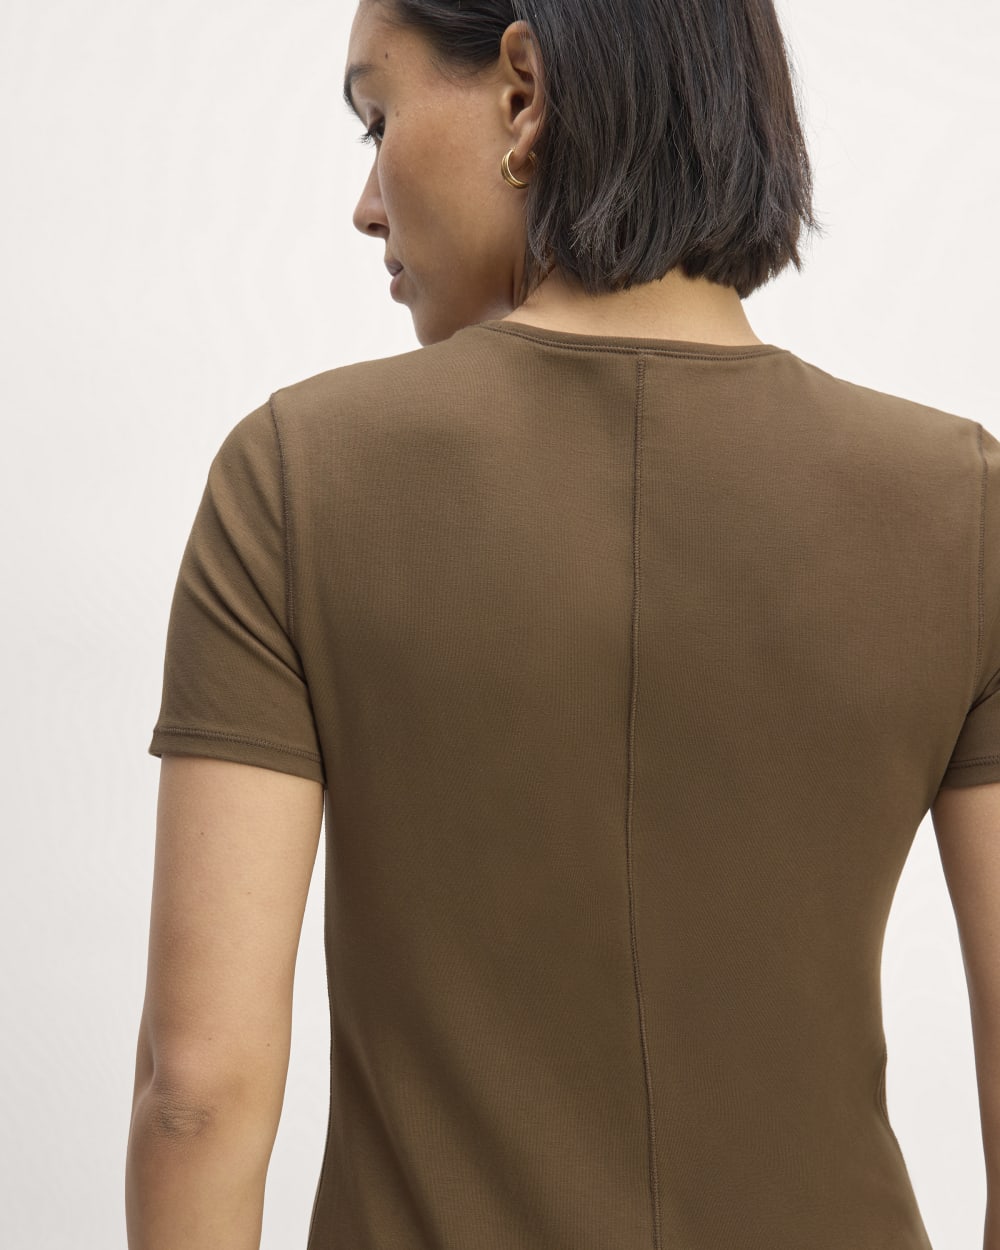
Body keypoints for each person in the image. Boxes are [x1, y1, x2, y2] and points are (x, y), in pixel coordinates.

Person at [125, 1, 1000, 1247]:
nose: (367, 204)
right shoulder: (961, 508)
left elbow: (196, 1094)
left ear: (524, 92)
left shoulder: (295, 476)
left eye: (377, 119)